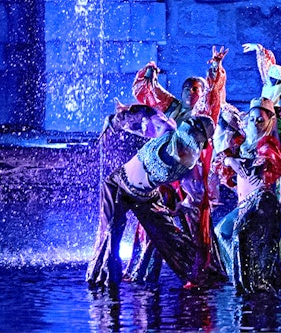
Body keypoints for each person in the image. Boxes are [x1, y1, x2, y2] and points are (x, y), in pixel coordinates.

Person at [86, 104, 220, 289]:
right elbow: (146, 112)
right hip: (118, 185)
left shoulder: (190, 167)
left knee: (168, 234)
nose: (190, 123)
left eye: (196, 126)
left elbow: (196, 195)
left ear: (202, 140)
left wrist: (181, 206)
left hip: (147, 197)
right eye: (191, 121)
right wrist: (116, 120)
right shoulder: (167, 129)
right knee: (112, 230)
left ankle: (203, 275)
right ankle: (102, 280)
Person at [215, 98, 281, 293]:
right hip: (244, 203)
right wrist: (230, 160)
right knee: (221, 231)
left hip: (262, 203)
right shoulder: (241, 143)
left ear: (269, 122)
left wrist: (257, 166)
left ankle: (253, 281)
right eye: (253, 119)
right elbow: (219, 160)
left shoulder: (268, 145)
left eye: (260, 120)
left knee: (240, 234)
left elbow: (274, 162)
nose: (255, 123)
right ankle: (239, 274)